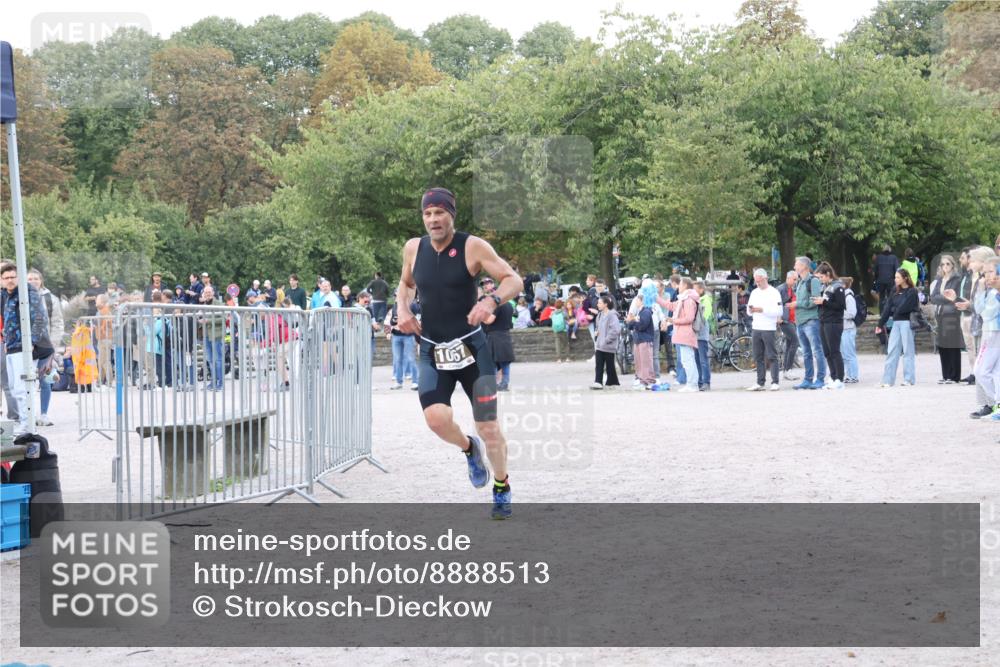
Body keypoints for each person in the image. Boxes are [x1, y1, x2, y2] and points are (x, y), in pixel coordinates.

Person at [394, 187, 521, 520]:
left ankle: (501, 485)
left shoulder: (472, 246)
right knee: (436, 420)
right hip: (434, 350)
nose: (434, 220)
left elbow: (512, 280)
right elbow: (405, 284)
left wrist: (490, 300)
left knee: (489, 427)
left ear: (452, 214)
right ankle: (468, 448)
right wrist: (402, 309)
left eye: (440, 212)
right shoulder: (413, 248)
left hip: (473, 350)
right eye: (428, 213)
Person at [1, 262, 53, 435]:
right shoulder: (6, 295)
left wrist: (31, 342)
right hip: (12, 346)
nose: (9, 280)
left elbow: (40, 318)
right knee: (15, 387)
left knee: (23, 388)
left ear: (19, 277)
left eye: (12, 277)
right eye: (6, 277)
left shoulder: (28, 293)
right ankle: (24, 422)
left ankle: (28, 424)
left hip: (25, 348)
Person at [26, 269, 63, 426]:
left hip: (45, 346)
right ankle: (29, 415)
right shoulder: (20, 296)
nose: (33, 281)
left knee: (46, 380)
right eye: (30, 278)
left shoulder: (50, 299)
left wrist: (54, 345)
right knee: (27, 382)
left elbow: (57, 322)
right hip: (27, 345)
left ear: (41, 281)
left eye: (36, 278)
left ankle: (44, 414)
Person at [877, 270, 919, 387]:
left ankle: (909, 379)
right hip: (896, 323)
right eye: (895, 277)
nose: (895, 280)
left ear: (905, 278)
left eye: (898, 277)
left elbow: (905, 307)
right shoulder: (894, 290)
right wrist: (880, 324)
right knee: (892, 351)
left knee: (908, 352)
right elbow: (888, 307)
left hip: (907, 323)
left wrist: (894, 311)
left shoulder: (912, 292)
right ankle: (887, 380)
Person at [970, 257, 1000, 419]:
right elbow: (978, 308)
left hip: (994, 332)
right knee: (994, 372)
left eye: (991, 272)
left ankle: (996, 402)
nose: (987, 276)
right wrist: (981, 291)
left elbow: (986, 313)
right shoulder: (989, 291)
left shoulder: (996, 293)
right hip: (990, 331)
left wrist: (982, 309)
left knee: (980, 371)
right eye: (985, 272)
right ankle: (997, 405)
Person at [928, 254, 964, 384]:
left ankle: (955, 376)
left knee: (953, 345)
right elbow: (933, 297)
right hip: (940, 315)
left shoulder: (957, 279)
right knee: (942, 345)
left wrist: (944, 298)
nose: (945, 266)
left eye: (947, 264)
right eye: (942, 264)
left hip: (952, 315)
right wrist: (945, 298)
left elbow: (955, 297)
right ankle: (946, 375)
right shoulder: (939, 279)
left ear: (952, 265)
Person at [745, 268, 783, 391]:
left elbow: (779, 311)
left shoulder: (774, 292)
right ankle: (760, 382)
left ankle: (775, 381)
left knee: (772, 355)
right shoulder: (754, 292)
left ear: (765, 278)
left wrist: (763, 310)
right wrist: (751, 310)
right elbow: (748, 311)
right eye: (756, 281)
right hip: (756, 327)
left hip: (768, 327)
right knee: (758, 356)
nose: (758, 284)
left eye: (759, 281)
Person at [792, 256, 826, 390]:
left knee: (817, 350)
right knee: (806, 353)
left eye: (796, 264)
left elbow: (815, 300)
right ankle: (808, 379)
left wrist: (797, 304)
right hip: (800, 321)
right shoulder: (800, 282)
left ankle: (820, 379)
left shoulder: (813, 281)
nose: (794, 267)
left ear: (804, 267)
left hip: (811, 321)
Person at [661, 277, 700, 393]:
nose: (678, 287)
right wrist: (656, 298)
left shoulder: (688, 300)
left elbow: (689, 318)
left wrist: (674, 321)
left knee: (688, 361)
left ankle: (692, 384)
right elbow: (671, 306)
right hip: (683, 334)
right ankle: (692, 384)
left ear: (685, 286)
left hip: (686, 334)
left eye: (680, 285)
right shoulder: (683, 299)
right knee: (688, 360)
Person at [813, 263, 847, 389]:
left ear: (828, 274)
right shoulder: (825, 287)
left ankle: (840, 379)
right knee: (827, 352)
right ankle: (833, 377)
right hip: (823, 321)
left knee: (834, 351)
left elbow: (840, 306)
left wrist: (824, 302)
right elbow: (825, 304)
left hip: (834, 322)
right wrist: (819, 302)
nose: (820, 280)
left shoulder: (838, 287)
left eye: (821, 277)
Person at [483, 278, 515, 391]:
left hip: (496, 336)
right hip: (505, 334)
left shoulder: (497, 306)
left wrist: (482, 317)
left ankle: (493, 384)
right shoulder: (509, 305)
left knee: (492, 362)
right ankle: (504, 383)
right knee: (505, 363)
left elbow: (489, 320)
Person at [385, 298, 421, 390]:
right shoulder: (394, 308)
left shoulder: (411, 307)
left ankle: (415, 382)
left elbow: (416, 320)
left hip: (408, 336)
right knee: (397, 359)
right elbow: (389, 322)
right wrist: (388, 332)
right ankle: (398, 382)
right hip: (396, 336)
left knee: (411, 359)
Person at [626, 283, 657, 390]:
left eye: (638, 300)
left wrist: (633, 320)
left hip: (645, 340)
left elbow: (641, 326)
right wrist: (633, 320)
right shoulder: (638, 312)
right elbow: (629, 325)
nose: (636, 302)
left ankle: (648, 380)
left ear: (643, 301)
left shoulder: (646, 311)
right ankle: (641, 380)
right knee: (639, 362)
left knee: (646, 361)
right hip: (637, 340)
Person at [591, 295, 621, 389]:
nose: (597, 304)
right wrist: (596, 333)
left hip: (609, 345)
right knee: (599, 364)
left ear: (606, 304)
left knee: (610, 366)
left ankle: (612, 382)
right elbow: (597, 327)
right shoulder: (599, 315)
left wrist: (607, 339)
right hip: (600, 345)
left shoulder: (612, 315)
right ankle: (598, 382)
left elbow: (616, 329)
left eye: (600, 303)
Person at [777, 270, 799, 381]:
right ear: (788, 278)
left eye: (796, 279)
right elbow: (776, 303)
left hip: (792, 320)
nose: (796, 281)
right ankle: (788, 369)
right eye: (794, 279)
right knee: (795, 342)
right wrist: (778, 317)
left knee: (790, 344)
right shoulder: (781, 289)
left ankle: (786, 371)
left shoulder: (792, 289)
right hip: (785, 321)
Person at [840, 277, 860, 384]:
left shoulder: (849, 298)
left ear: (843, 285)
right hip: (843, 328)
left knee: (849, 353)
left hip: (848, 328)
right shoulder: (843, 297)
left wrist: (839, 313)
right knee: (843, 353)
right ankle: (848, 375)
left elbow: (852, 313)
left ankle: (854, 375)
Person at [873, 245, 900, 310]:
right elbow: (897, 269)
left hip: (880, 280)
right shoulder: (894, 258)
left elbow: (875, 270)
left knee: (881, 297)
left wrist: (876, 279)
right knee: (891, 297)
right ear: (890, 250)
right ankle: (890, 313)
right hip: (891, 281)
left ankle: (882, 313)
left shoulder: (878, 258)